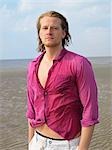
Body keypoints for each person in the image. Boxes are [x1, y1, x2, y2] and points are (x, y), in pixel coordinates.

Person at [26, 11, 99, 150]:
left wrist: (82, 148)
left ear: (64, 33)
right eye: (45, 28)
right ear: (39, 33)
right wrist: (30, 143)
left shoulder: (79, 63)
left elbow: (90, 110)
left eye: (54, 28)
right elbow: (31, 109)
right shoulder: (32, 66)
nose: (49, 31)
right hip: (37, 141)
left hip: (66, 144)